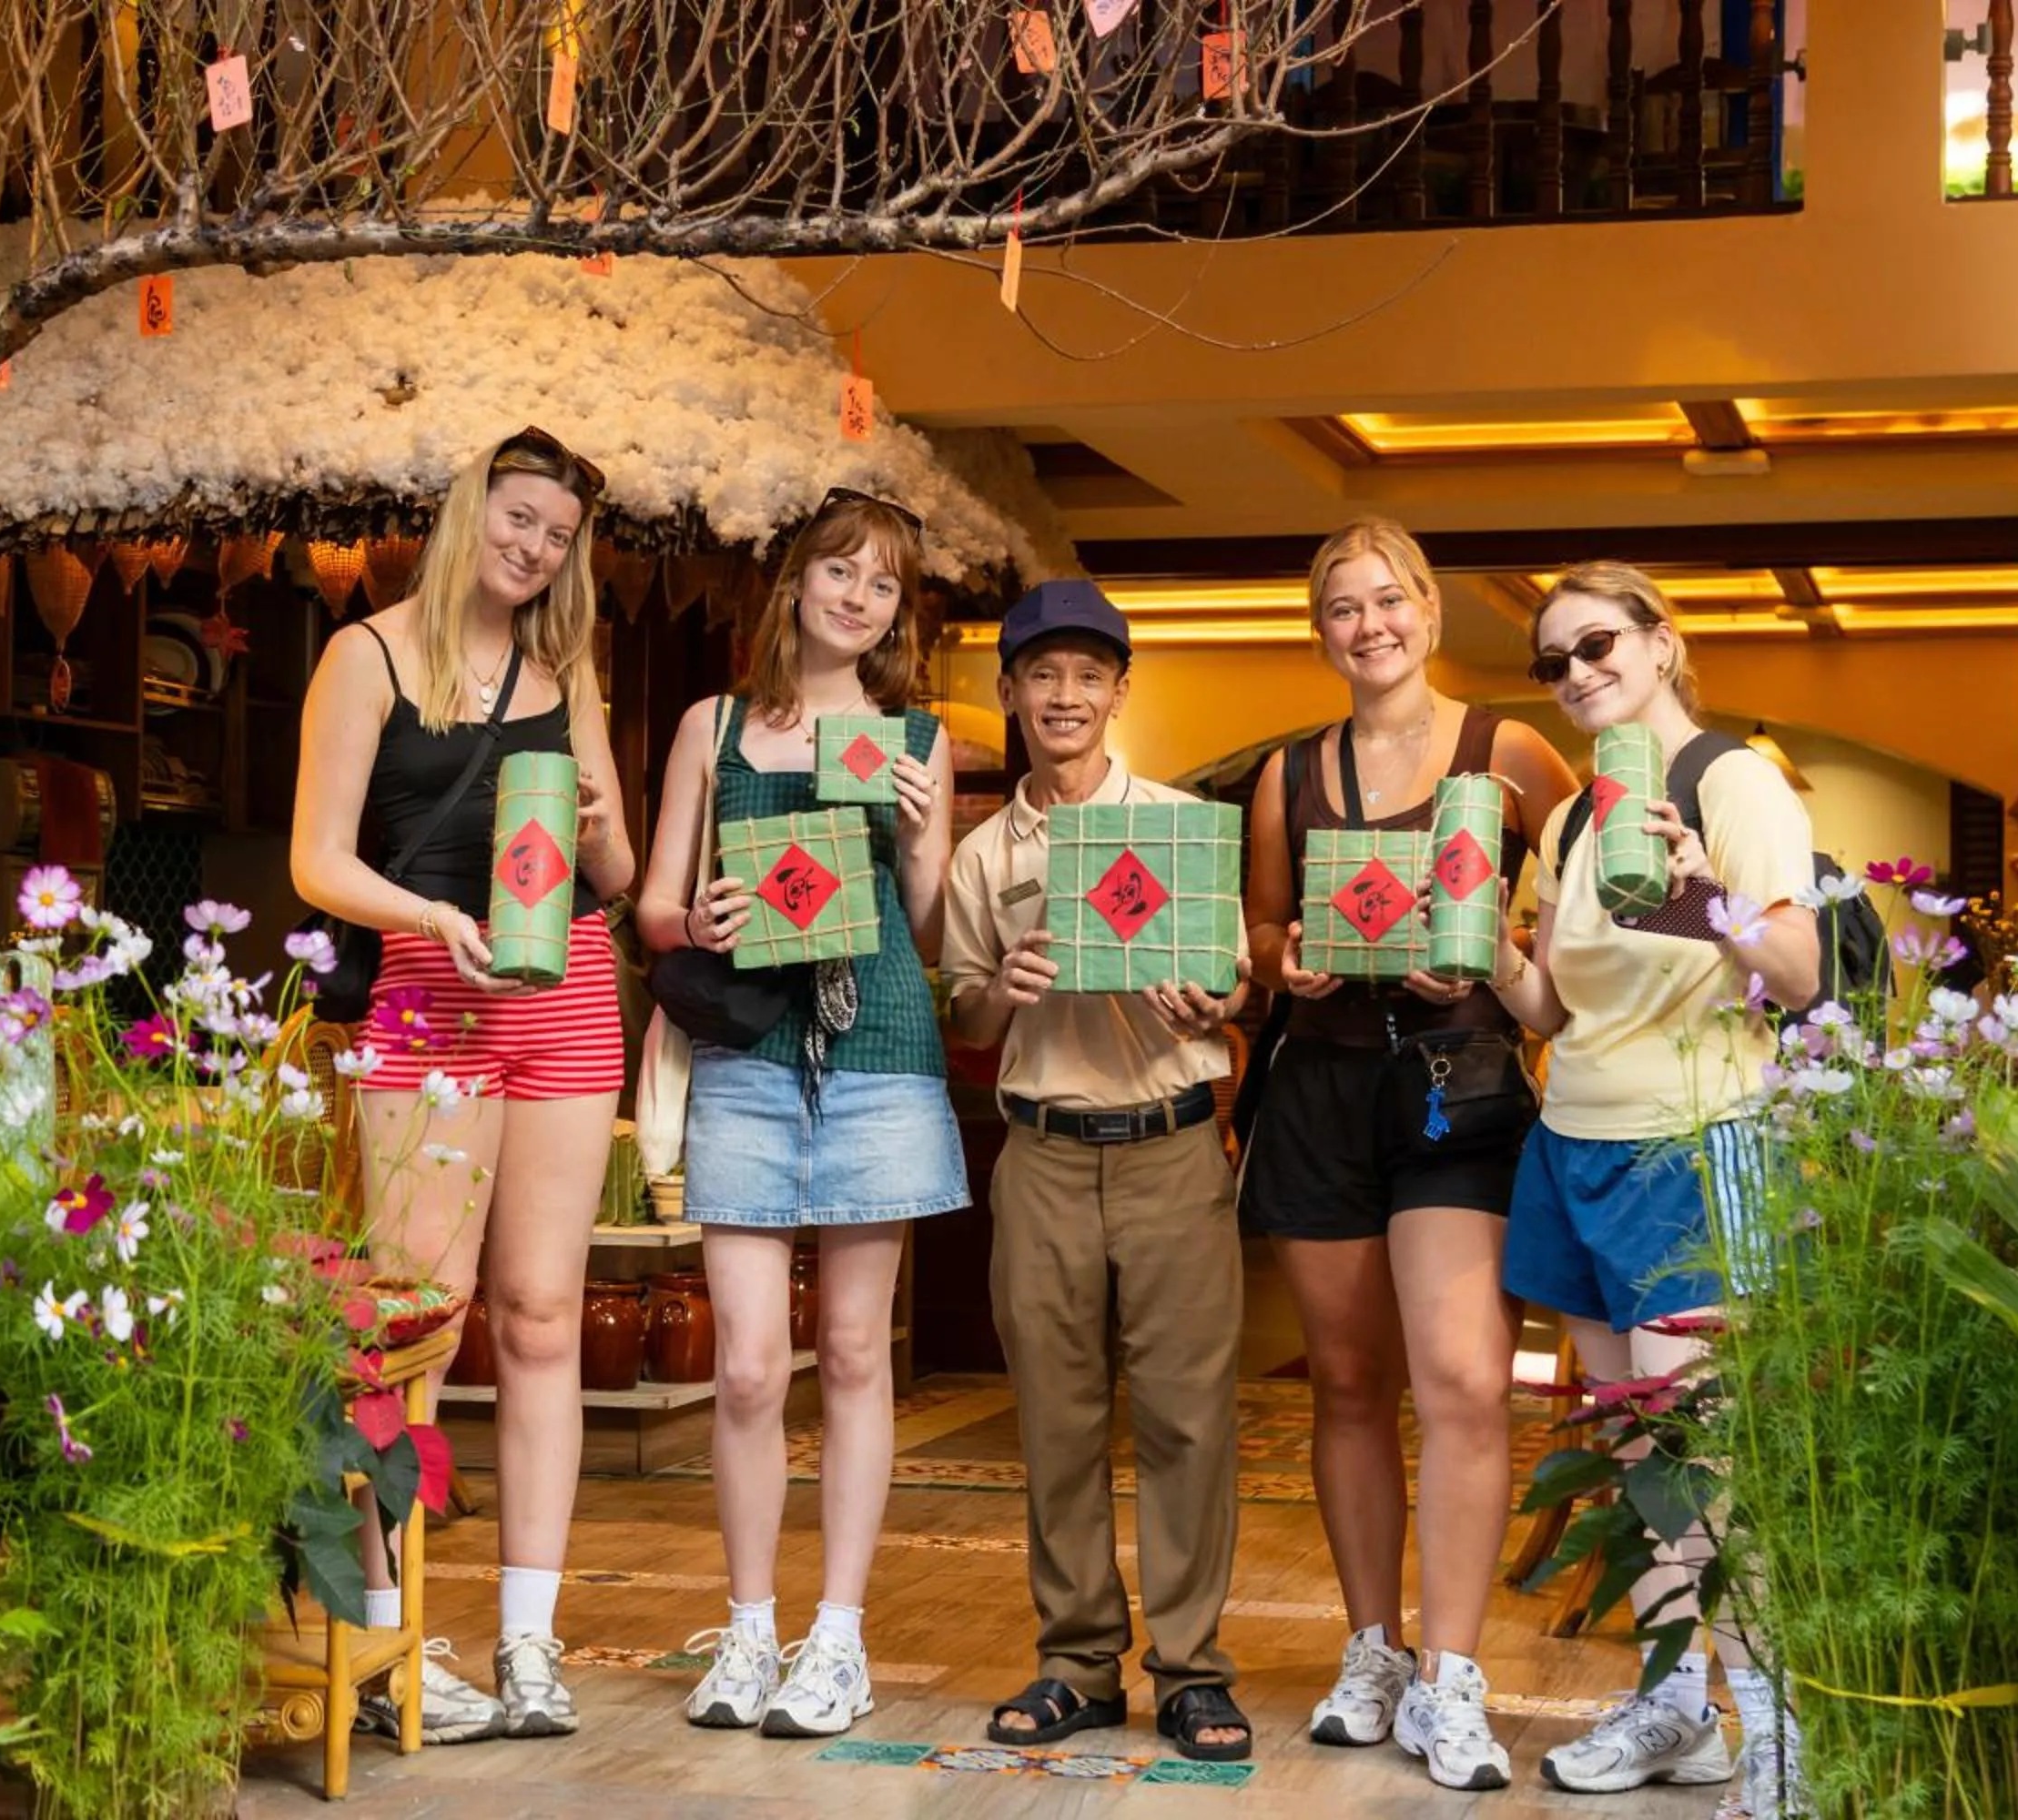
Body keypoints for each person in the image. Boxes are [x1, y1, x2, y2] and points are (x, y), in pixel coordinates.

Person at [289, 424, 634, 1742]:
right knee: (407, 1326)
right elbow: (319, 861)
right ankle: (390, 1644)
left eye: (559, 536)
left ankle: (532, 1641)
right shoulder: (367, 656)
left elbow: (612, 873)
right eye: (519, 518)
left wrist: (598, 831)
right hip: (430, 996)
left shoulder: (566, 664)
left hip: (566, 991)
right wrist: (435, 920)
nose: (535, 548)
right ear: (467, 512)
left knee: (542, 1316)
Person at [1240, 517, 1578, 1792]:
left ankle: (1453, 1675)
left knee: (1466, 1383)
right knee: (1344, 1382)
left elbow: (1592, 891)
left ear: (1430, 613)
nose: (1369, 625)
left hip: (1460, 1084)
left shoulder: (1510, 752)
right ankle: (1373, 1650)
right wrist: (1286, 960)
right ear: (1320, 632)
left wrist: (1506, 949)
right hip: (1323, 1087)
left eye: (1389, 601)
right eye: (1344, 607)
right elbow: (1264, 928)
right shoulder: (1289, 773)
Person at [634, 486, 966, 1740]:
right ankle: (749, 1628)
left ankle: (839, 1637)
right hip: (749, 1059)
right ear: (795, 582)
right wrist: (696, 917)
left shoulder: (915, 739)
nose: (858, 597)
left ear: (897, 614)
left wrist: (923, 838)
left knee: (861, 1354)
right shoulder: (714, 726)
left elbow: (928, 930)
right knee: (747, 1365)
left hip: (879, 1051)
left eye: (883, 584)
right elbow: (654, 906)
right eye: (840, 570)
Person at [1500, 561, 1820, 1816]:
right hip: (1571, 1139)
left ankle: (1784, 1728)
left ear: (1661, 642)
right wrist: (1463, 946)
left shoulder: (1731, 782)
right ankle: (1681, 1709)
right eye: (1554, 661)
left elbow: (1796, 970)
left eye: (1597, 645)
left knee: (1703, 1457)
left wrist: (1705, 898)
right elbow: (1549, 1005)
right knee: (1634, 1453)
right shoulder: (1574, 821)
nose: (1577, 673)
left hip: (1695, 1142)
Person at [942, 581, 1253, 1764]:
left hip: (1172, 1146)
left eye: (1088, 675)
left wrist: (1210, 1001)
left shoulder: (1180, 828)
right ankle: (1076, 1663)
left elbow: (1230, 984)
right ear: (1011, 691)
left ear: (1120, 692)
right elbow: (965, 1010)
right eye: (1042, 674)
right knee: (1055, 1421)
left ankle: (1193, 1672)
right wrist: (998, 988)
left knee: (1188, 1421)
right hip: (1043, 1154)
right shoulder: (984, 854)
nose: (1064, 695)